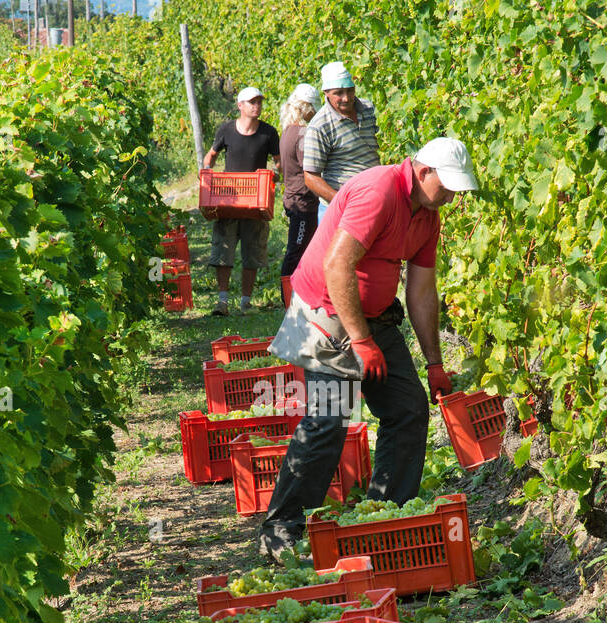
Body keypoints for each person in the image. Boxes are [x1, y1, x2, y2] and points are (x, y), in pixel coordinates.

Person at [259, 138, 479, 561]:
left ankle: (385, 516)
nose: (452, 196)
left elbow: (420, 290)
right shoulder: (378, 192)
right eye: (447, 186)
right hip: (325, 317)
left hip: (375, 318)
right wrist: (360, 342)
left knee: (409, 407)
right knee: (329, 420)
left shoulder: (428, 216)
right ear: (422, 171)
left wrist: (434, 362)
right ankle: (280, 532)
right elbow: (337, 265)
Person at [203, 86, 281, 316]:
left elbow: (278, 163)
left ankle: (245, 301)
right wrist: (207, 171)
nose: (256, 105)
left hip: (255, 203)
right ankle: (222, 301)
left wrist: (276, 173)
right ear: (240, 106)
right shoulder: (226, 130)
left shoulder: (268, 132)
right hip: (229, 198)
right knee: (223, 250)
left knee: (253, 251)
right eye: (251, 102)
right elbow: (212, 155)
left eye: (259, 102)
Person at [302, 62, 380, 225]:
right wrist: (341, 202)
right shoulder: (319, 126)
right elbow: (310, 177)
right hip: (338, 210)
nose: (346, 98)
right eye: (339, 93)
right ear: (326, 93)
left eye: (350, 90)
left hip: (374, 202)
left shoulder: (368, 109)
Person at [279, 83, 321, 278]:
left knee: (302, 250)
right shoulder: (303, 133)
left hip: (294, 198)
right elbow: (310, 168)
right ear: (307, 109)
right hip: (302, 202)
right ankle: (286, 298)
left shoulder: (287, 131)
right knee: (296, 251)